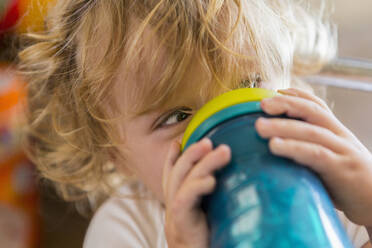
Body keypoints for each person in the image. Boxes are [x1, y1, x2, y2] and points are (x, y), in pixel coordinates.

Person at [18, 0, 372, 247]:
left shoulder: (325, 184)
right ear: (116, 154)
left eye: (249, 86)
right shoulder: (126, 229)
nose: (228, 125)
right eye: (178, 116)